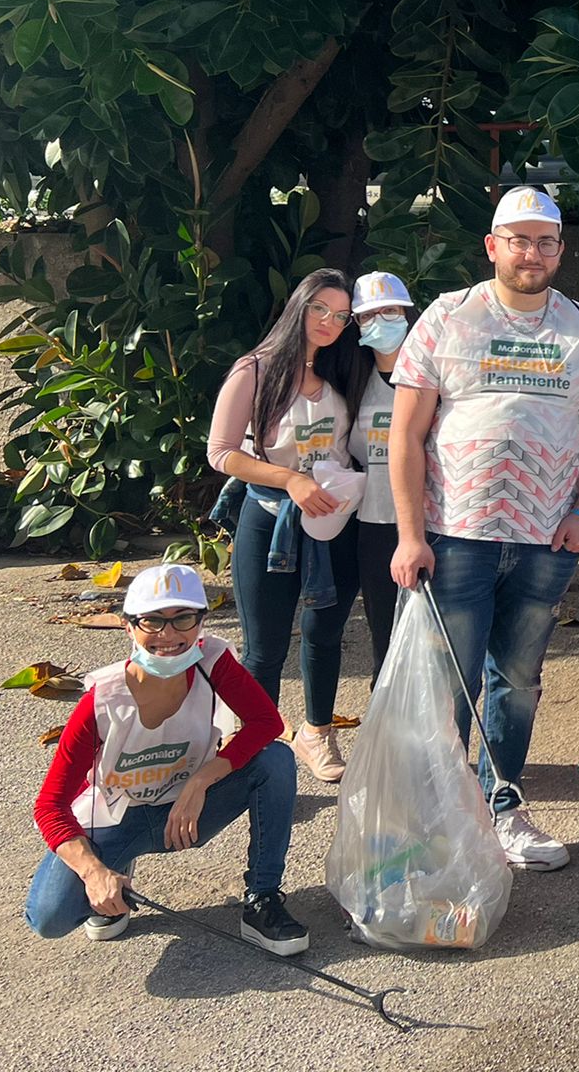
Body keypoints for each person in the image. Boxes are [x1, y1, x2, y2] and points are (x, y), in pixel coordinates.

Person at [389, 185, 579, 870]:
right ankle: (439, 818)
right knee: (451, 682)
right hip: (456, 534)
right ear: (493, 246)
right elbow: (405, 436)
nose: (532, 252)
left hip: (545, 539)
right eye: (518, 239)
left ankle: (502, 806)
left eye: (545, 241)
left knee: (518, 681)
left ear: (561, 250)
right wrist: (410, 535)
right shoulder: (446, 318)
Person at [24, 564, 308, 954]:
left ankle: (263, 899)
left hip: (189, 811)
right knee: (49, 916)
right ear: (128, 627)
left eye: (183, 619)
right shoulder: (100, 701)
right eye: (152, 622)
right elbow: (50, 805)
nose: (168, 636)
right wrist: (93, 872)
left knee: (275, 760)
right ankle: (114, 877)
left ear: (201, 623)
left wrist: (202, 779)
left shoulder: (213, 662)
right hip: (119, 817)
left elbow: (266, 723)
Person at [206, 268, 366, 782]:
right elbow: (221, 453)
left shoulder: (344, 369)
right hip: (270, 518)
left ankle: (317, 732)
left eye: (341, 316)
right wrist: (289, 479)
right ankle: (255, 748)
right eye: (320, 309)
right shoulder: (254, 369)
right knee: (265, 645)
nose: (329, 322)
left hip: (336, 520)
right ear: (299, 306)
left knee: (325, 632)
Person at [346, 269, 414, 679]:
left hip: (431, 522)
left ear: (407, 313)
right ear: (356, 324)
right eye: (369, 314)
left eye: (391, 310)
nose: (382, 320)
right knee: (384, 637)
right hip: (374, 522)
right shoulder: (352, 381)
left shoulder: (431, 375)